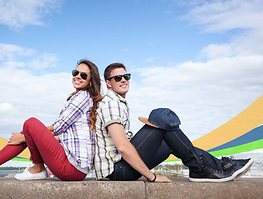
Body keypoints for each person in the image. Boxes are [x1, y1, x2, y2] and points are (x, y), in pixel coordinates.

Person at [94, 62, 253, 183]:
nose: (124, 80)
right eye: (118, 78)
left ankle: (209, 167)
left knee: (169, 140)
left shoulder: (118, 103)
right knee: (161, 116)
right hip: (118, 171)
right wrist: (152, 177)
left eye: (126, 76)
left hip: (122, 169)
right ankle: (215, 166)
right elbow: (122, 147)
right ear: (108, 83)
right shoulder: (110, 103)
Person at [0, 59, 103, 181]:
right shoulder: (82, 98)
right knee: (29, 129)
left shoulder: (82, 97)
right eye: (75, 72)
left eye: (83, 75)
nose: (77, 76)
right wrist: (28, 137)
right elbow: (63, 135)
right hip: (75, 169)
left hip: (70, 169)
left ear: (90, 81)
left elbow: (59, 126)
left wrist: (25, 137)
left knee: (30, 123)